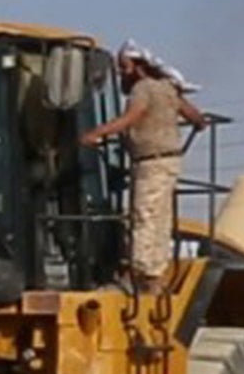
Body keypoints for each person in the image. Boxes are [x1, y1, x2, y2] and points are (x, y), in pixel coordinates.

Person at [82, 41, 208, 288]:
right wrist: (195, 123)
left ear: (138, 67)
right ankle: (156, 273)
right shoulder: (168, 88)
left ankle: (138, 275)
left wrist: (96, 133)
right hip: (169, 161)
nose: (121, 74)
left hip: (150, 162)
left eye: (124, 67)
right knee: (160, 218)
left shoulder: (142, 89)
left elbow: (132, 117)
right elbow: (195, 116)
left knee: (143, 216)